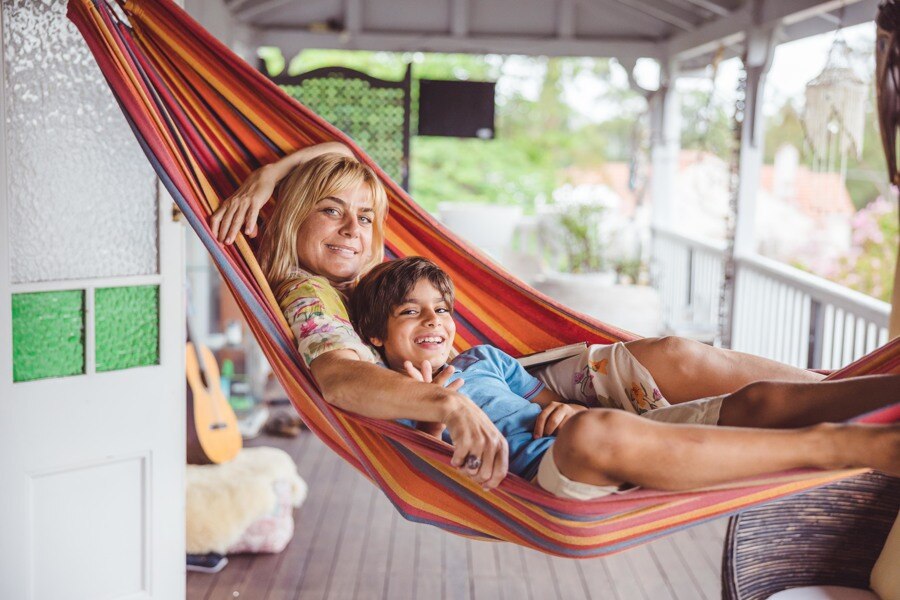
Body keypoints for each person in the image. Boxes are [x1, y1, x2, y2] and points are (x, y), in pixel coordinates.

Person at [210, 143, 837, 489]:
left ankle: (840, 390)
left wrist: (271, 172)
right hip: (496, 413)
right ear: (294, 218)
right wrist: (451, 406)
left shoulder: (371, 275)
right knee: (641, 403)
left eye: (365, 217)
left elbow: (344, 152)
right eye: (330, 211)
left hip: (507, 376)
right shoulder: (310, 294)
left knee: (676, 354)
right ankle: (840, 424)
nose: (353, 229)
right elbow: (339, 377)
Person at [348, 256, 900, 498]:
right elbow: (421, 468)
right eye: (410, 312)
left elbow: (550, 401)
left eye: (441, 310)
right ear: (374, 334)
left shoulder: (485, 360)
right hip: (555, 475)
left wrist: (564, 408)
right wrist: (433, 416)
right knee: (596, 433)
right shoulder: (388, 396)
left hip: (627, 440)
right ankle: (842, 446)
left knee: (761, 402)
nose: (433, 321)